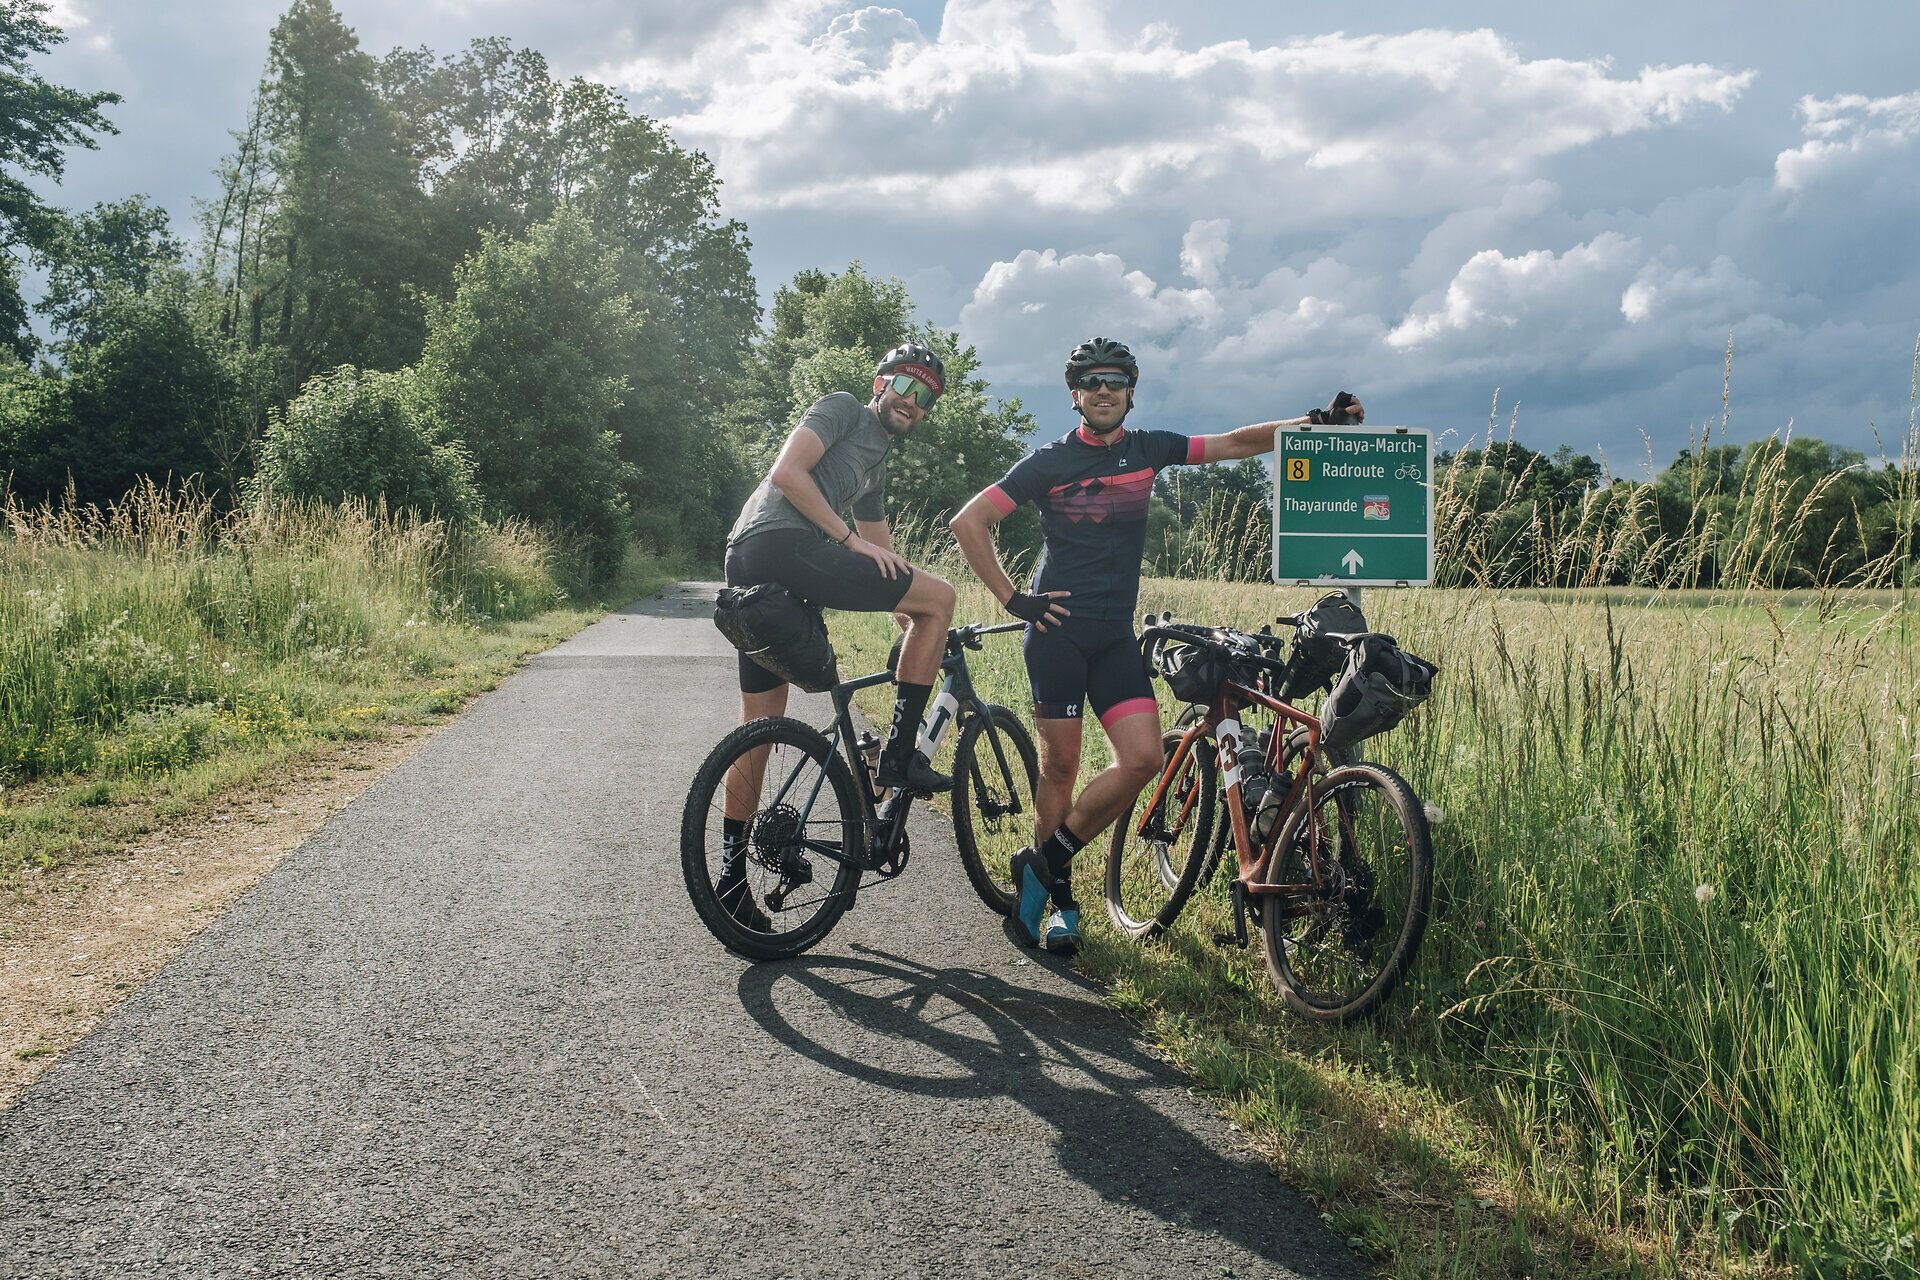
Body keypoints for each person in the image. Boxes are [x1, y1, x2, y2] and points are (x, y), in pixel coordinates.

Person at [948, 336, 1363, 954]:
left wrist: (1315, 424)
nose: (1105, 390)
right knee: (1060, 766)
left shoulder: (1150, 450)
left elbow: (1234, 443)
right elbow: (969, 521)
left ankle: (1044, 861)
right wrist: (1015, 601)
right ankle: (1057, 899)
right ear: (1075, 395)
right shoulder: (1050, 461)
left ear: (1131, 392)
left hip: (1115, 637)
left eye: (1115, 380)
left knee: (1142, 760)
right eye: (1092, 382)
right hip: (1057, 637)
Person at [719, 343, 959, 927]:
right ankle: (899, 758)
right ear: (881, 384)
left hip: (750, 566)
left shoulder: (875, 465)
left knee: (758, 731)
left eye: (927, 396)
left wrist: (909, 617)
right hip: (779, 544)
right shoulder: (844, 409)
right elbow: (787, 474)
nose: (914, 401)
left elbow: (881, 549)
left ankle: (729, 878)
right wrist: (848, 544)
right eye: (906, 385)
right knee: (944, 596)